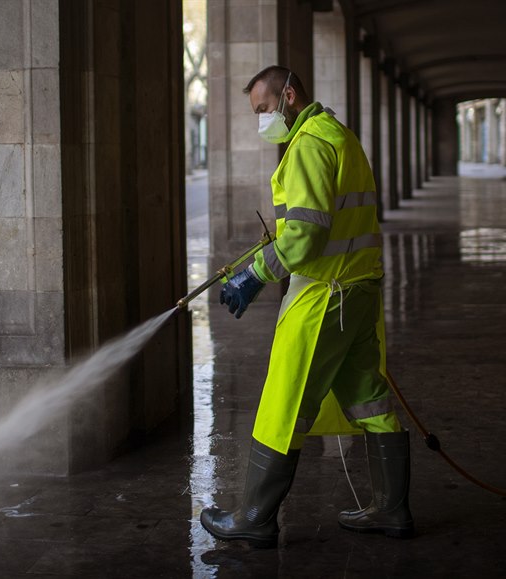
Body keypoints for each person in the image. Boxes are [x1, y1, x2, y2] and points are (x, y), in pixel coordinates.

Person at [199, 65, 414, 548]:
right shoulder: (338, 135)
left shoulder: (309, 145)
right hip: (357, 289)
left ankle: (254, 517)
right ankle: (391, 508)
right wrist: (257, 260)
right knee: (368, 397)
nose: (261, 121)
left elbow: (305, 236)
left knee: (284, 400)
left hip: (324, 297)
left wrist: (255, 275)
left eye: (262, 109)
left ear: (288, 95)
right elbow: (325, 224)